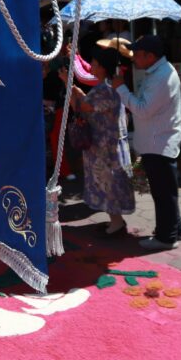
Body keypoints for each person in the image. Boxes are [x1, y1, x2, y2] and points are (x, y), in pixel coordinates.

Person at [112, 36, 181, 248]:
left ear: (150, 56)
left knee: (163, 194)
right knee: (165, 192)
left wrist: (121, 89)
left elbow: (143, 109)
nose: (134, 57)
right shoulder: (158, 72)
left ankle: (166, 237)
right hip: (157, 140)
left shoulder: (161, 76)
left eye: (138, 54)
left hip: (159, 143)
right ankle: (176, 228)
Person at [69, 49, 135, 234]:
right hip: (110, 145)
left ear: (103, 67)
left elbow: (82, 108)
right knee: (109, 183)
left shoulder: (105, 90)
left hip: (105, 148)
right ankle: (116, 221)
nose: (92, 66)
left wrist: (71, 89)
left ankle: (116, 224)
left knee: (108, 184)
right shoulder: (109, 87)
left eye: (95, 63)